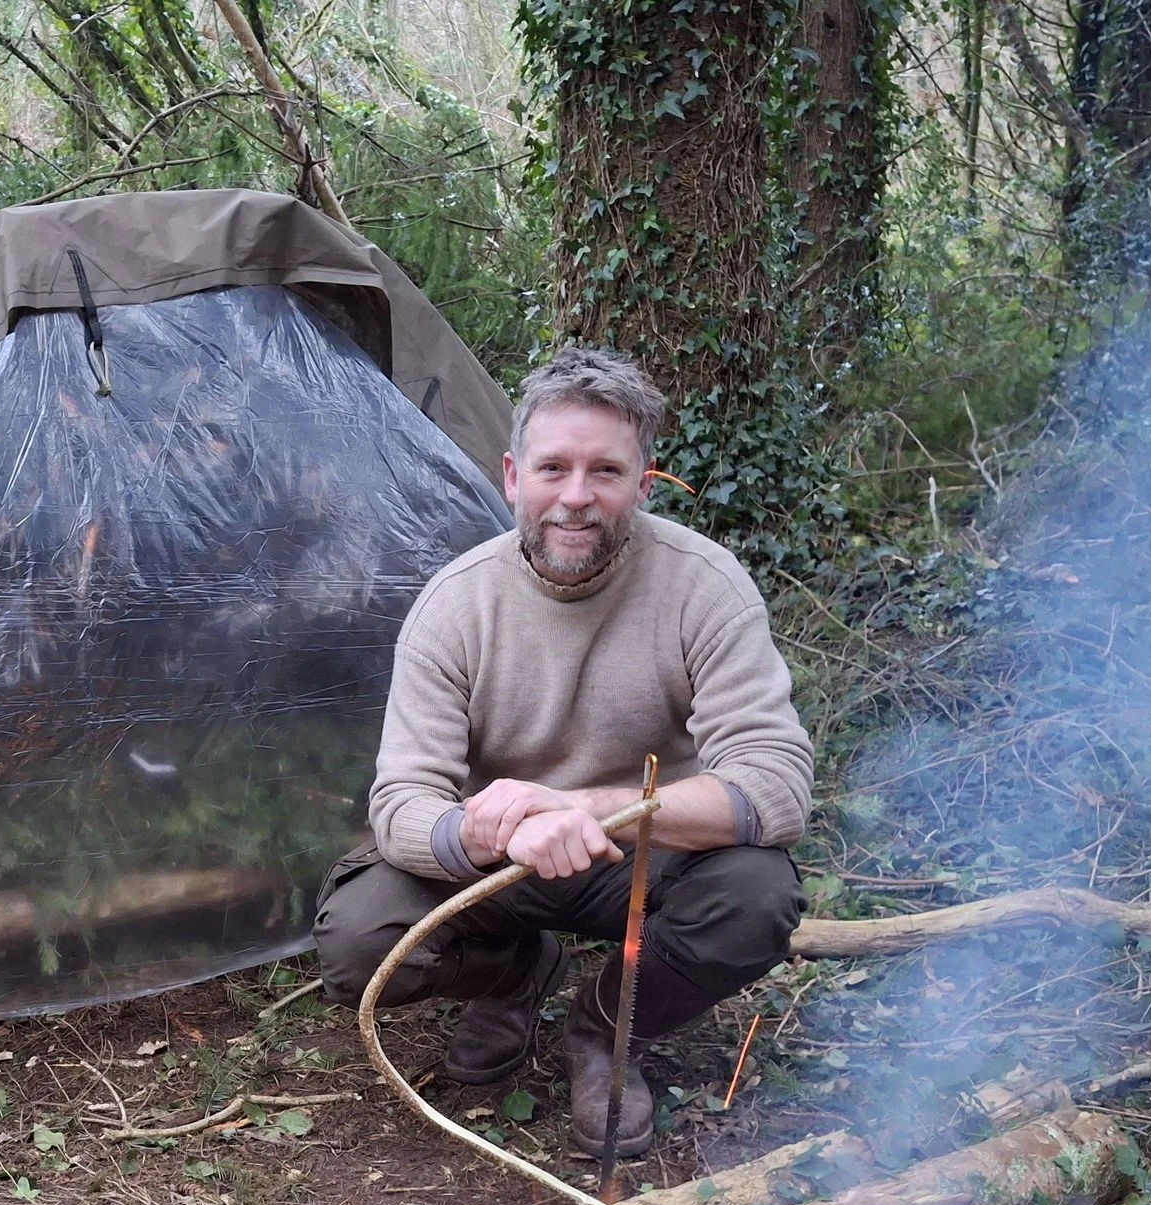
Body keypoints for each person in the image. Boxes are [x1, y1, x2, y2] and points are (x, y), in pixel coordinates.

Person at [313, 347, 813, 1160]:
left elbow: (778, 787)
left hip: (642, 856)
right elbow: (403, 802)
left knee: (756, 896)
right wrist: (497, 832)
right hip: (500, 867)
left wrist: (588, 809)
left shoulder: (704, 586)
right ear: (513, 477)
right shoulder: (455, 604)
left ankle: (603, 1028)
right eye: (553, 467)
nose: (576, 497)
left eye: (605, 471)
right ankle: (515, 974)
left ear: (643, 486)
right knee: (360, 938)